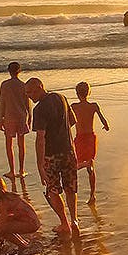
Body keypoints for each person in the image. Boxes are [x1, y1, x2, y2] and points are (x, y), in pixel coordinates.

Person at [26, 77, 80, 234]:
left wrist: (40, 163)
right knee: (70, 188)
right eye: (27, 93)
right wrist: (61, 132)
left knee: (53, 190)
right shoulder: (61, 97)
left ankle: (64, 223)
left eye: (31, 92)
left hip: (51, 155)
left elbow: (40, 138)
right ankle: (74, 220)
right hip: (69, 150)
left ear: (40, 87)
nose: (29, 96)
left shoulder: (39, 109)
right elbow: (73, 120)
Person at [70, 82, 110, 200]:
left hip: (80, 138)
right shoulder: (94, 106)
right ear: (89, 92)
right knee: (90, 167)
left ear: (77, 93)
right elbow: (104, 121)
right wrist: (106, 126)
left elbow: (69, 122)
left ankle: (73, 192)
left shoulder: (74, 106)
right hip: (91, 138)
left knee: (74, 166)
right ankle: (92, 195)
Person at [0, 62, 31, 180]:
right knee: (21, 144)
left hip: (9, 117)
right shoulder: (23, 85)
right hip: (21, 116)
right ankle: (21, 170)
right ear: (19, 71)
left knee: (9, 144)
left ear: (9, 71)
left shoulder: (5, 85)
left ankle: (12, 170)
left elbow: (2, 102)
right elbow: (28, 103)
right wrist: (30, 116)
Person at [0, 177, 40, 250]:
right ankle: (23, 242)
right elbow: (4, 217)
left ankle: (22, 245)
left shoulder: (4, 202)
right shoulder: (9, 197)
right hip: (30, 220)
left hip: (31, 223)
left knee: (3, 228)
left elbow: (3, 222)